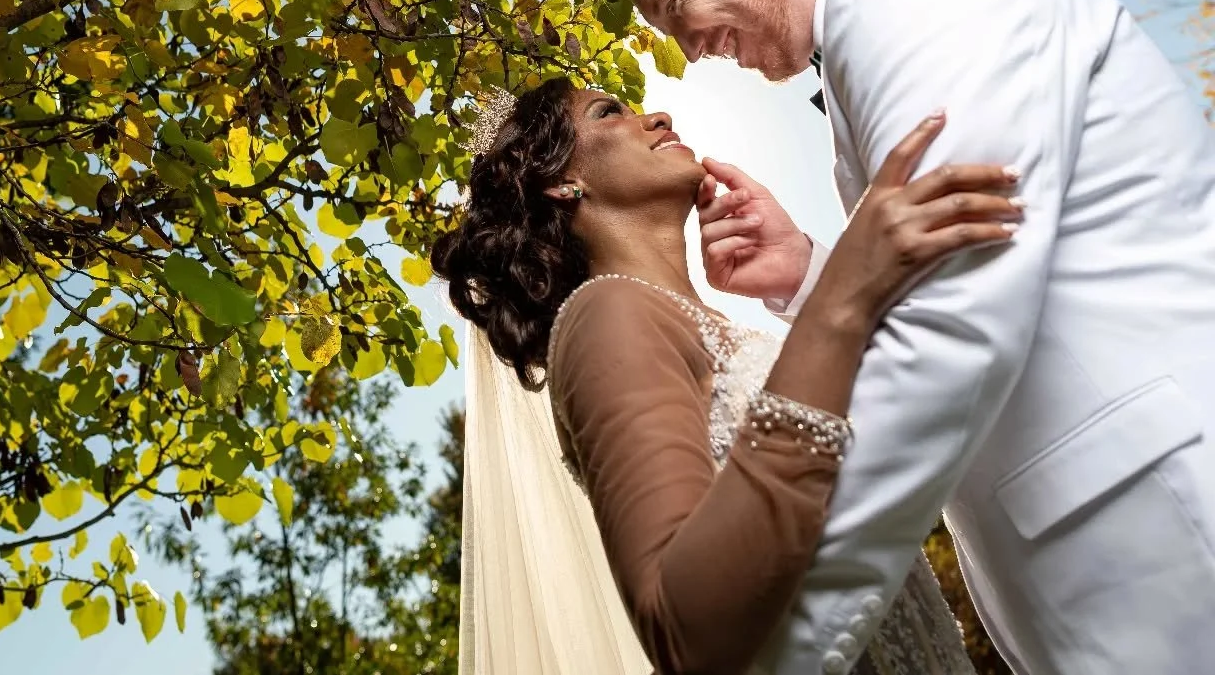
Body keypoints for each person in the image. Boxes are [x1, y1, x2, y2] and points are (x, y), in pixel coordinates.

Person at [603, 0, 1215, 675]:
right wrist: (813, 272)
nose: (691, 53)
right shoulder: (874, 33)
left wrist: (782, 649)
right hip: (1100, 563)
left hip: (1160, 537)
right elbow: (958, 274)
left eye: (678, 6)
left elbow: (956, 318)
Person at [436, 76, 1023, 674]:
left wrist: (804, 275)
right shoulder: (604, 314)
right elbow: (685, 632)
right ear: (561, 181)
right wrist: (841, 298)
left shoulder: (717, 327)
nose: (657, 115)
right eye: (609, 112)